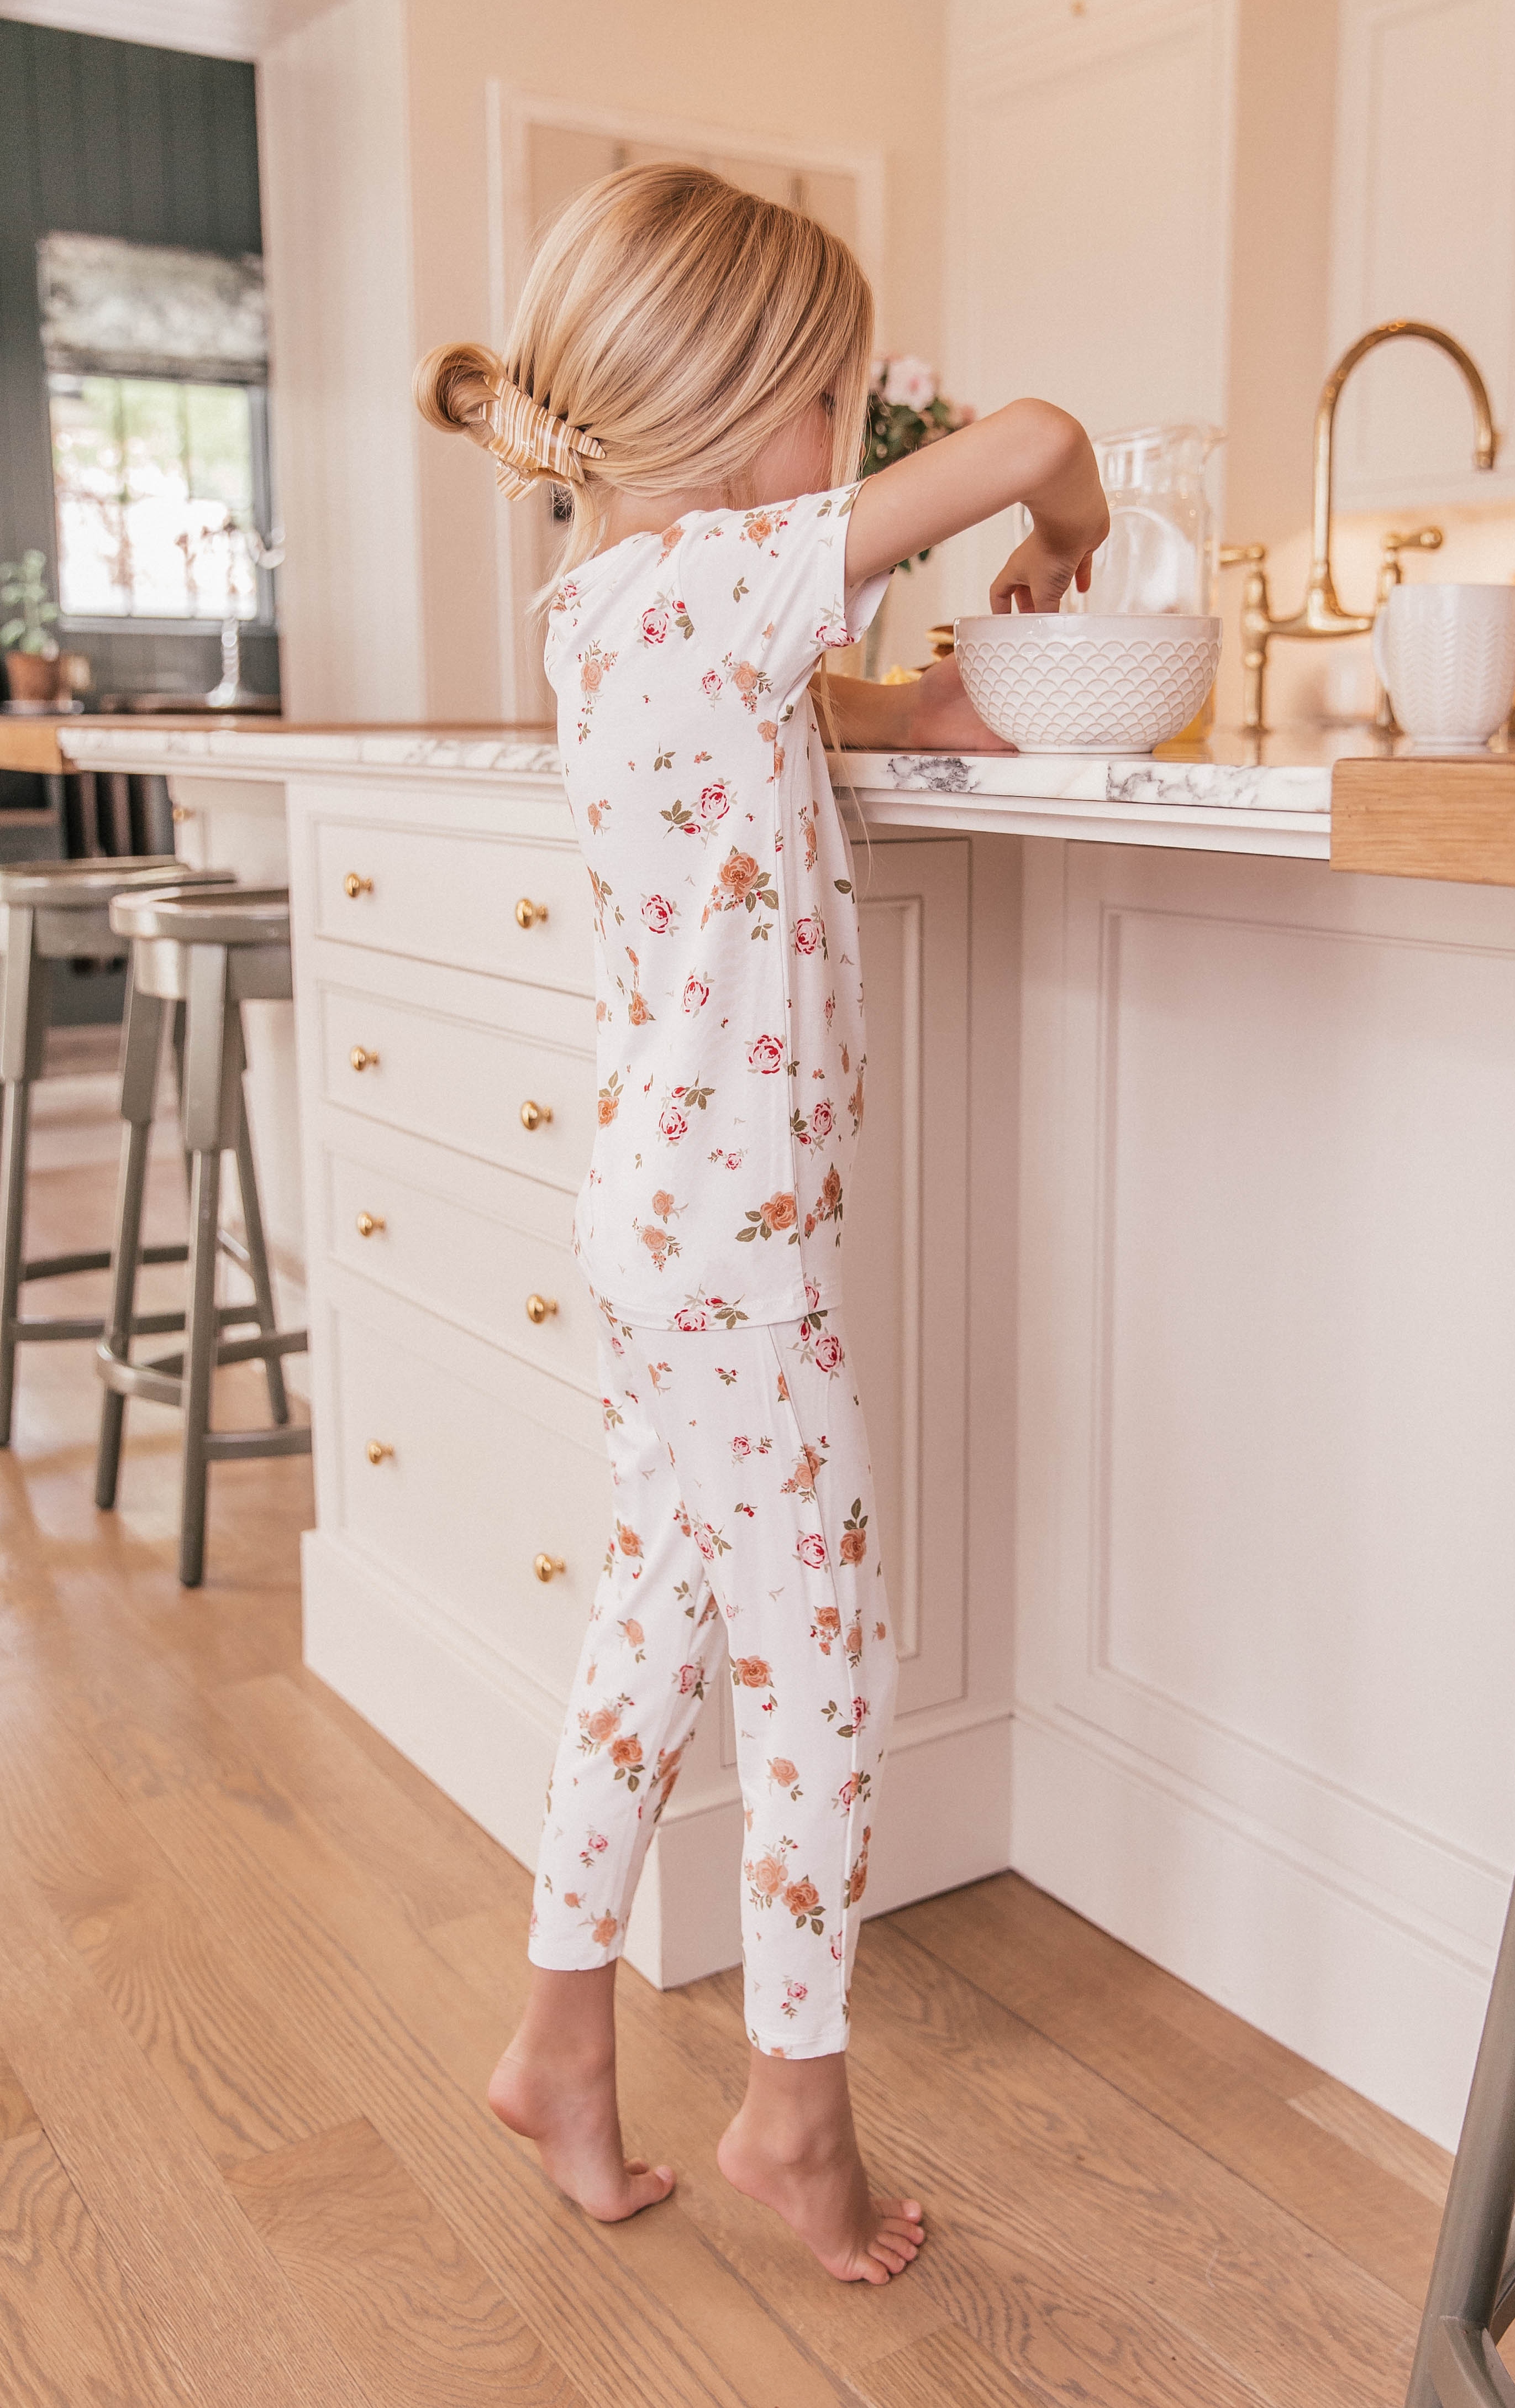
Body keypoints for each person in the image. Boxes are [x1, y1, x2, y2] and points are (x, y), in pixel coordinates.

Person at [414, 161, 1107, 2285]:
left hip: (668, 1218)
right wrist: (1062, 535)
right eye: (833, 404)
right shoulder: (708, 580)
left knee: (662, 1614)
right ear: (740, 417)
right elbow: (1044, 445)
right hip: (729, 1243)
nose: (857, 454)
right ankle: (794, 2116)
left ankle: (557, 2035)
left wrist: (945, 703)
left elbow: (822, 727)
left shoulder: (621, 615)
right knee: (826, 1661)